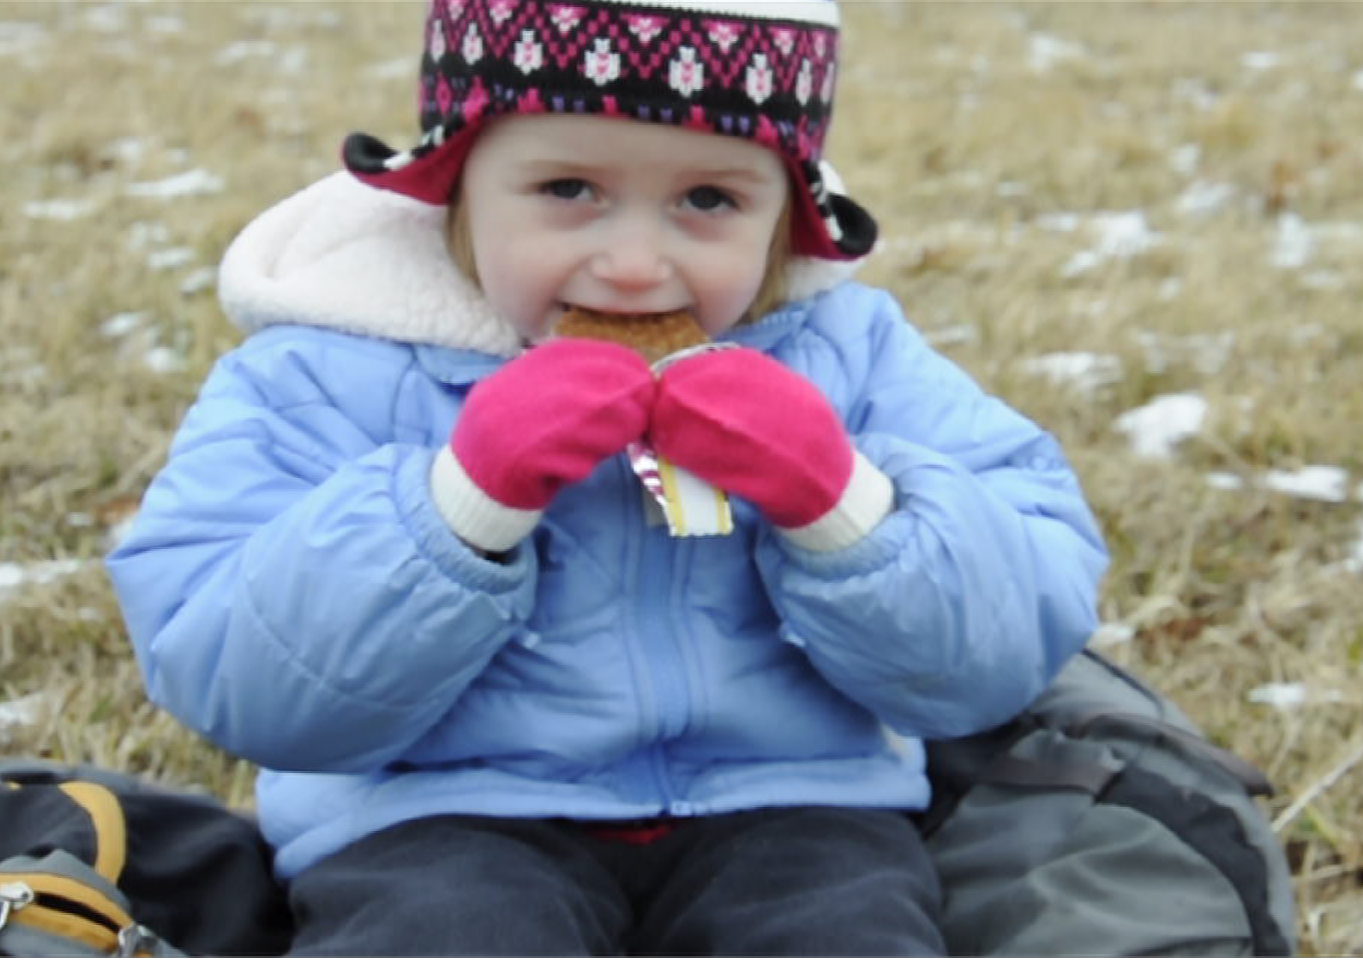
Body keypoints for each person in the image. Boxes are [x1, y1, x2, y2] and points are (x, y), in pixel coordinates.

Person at [106, 1, 1109, 955]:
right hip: (438, 816)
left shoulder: (853, 357)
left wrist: (842, 504)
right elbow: (234, 673)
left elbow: (1003, 650)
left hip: (797, 805)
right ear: (456, 182)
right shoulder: (323, 372)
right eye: (567, 190)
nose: (633, 264)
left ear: (788, 213)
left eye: (708, 200)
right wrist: (456, 504)